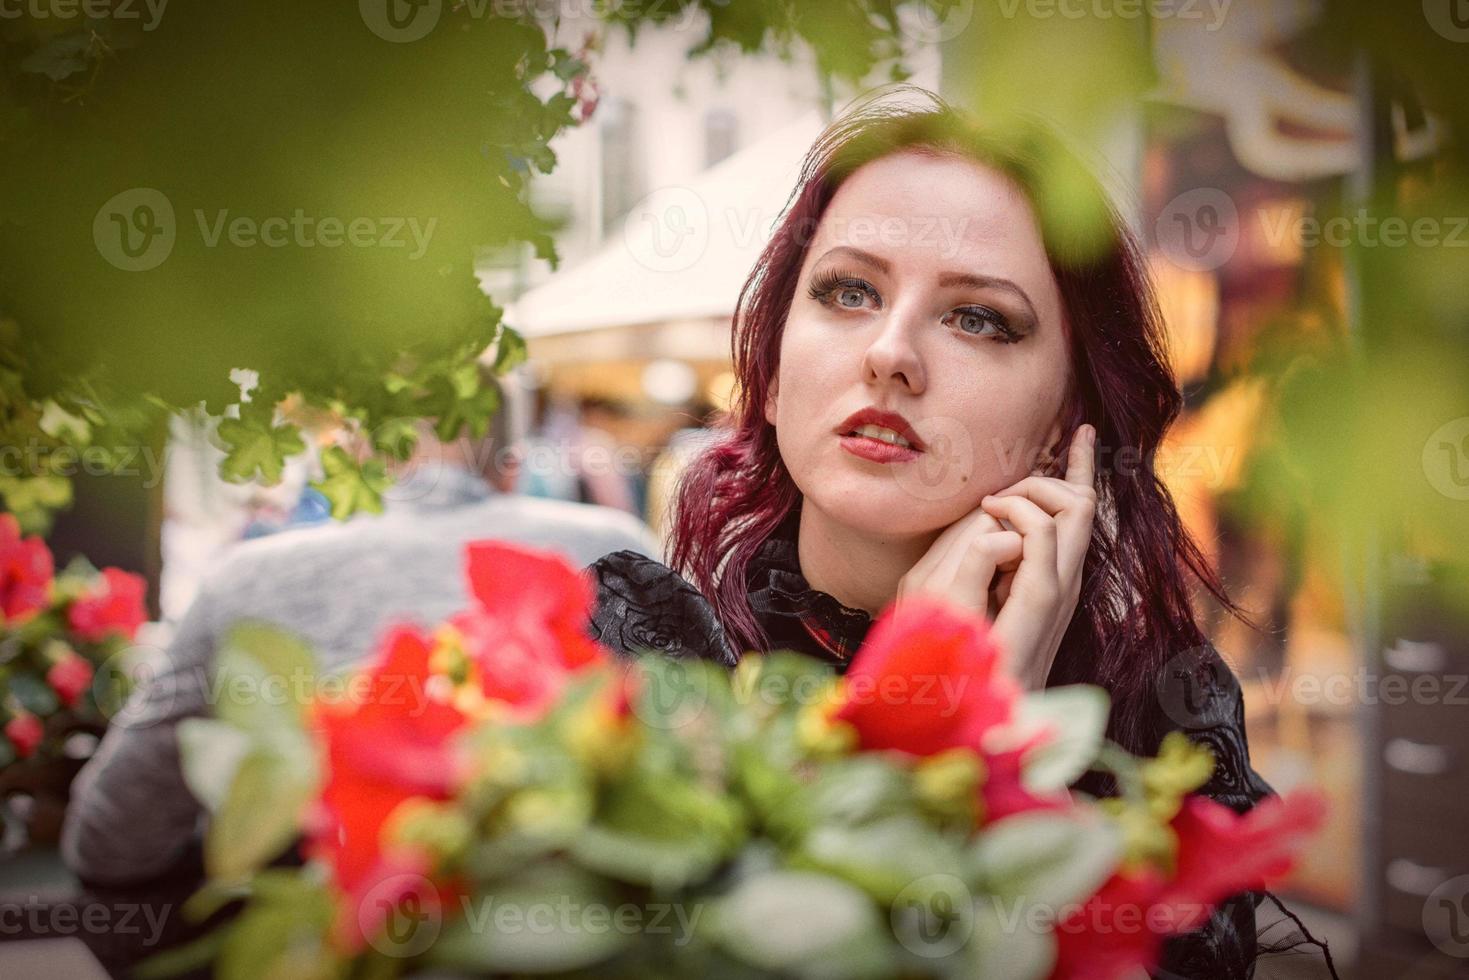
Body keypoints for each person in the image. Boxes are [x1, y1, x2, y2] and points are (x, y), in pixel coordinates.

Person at [585, 87, 1334, 978]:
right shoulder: (641, 660)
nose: (890, 352)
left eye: (977, 317)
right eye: (847, 291)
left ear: (1067, 424)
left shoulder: (1161, 727)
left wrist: (1003, 761)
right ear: (775, 373)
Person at [62, 383, 661, 888]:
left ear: (350, 450)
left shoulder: (249, 580)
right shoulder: (618, 548)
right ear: (512, 464)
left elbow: (112, 840)